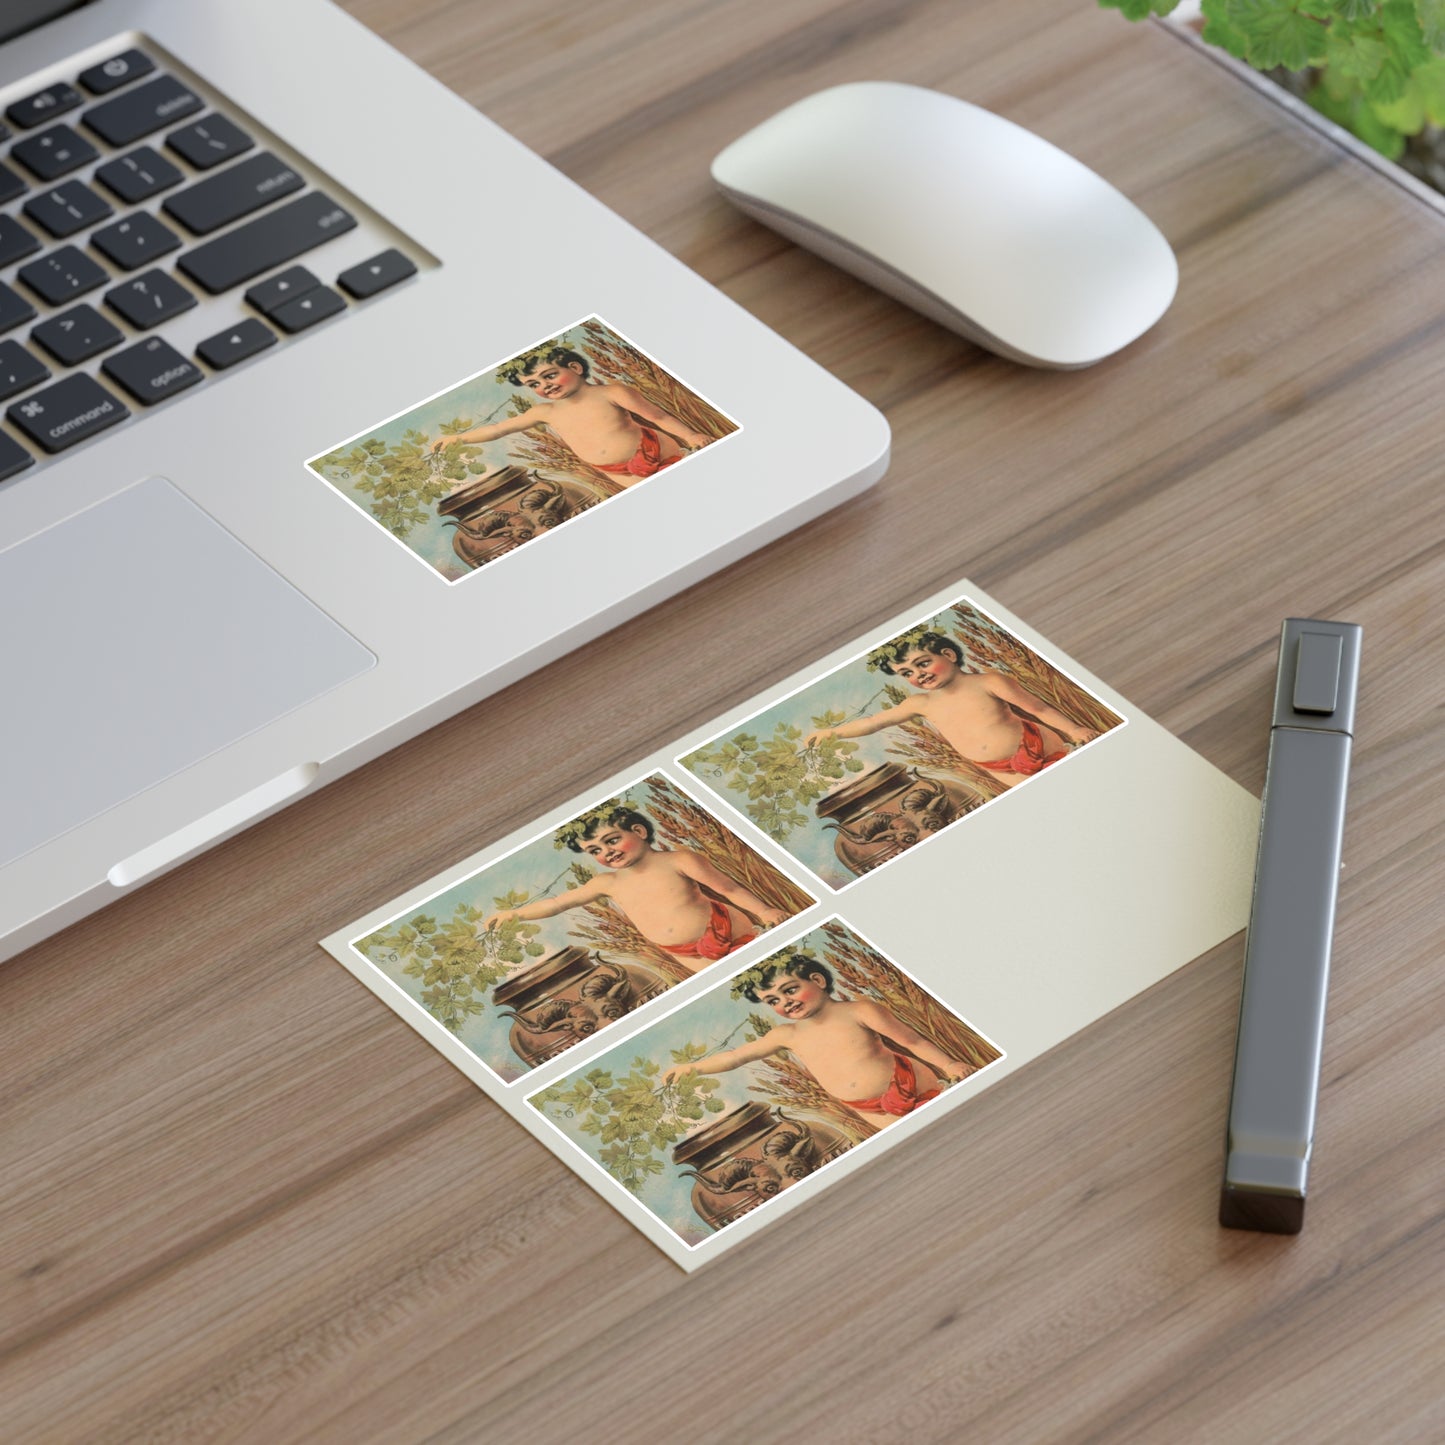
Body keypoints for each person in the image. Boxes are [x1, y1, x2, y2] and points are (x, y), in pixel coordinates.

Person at [665, 956, 971, 1134]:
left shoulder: (859, 1011)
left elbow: (912, 1040)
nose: (786, 1002)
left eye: (791, 990)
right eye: (774, 1001)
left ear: (819, 981)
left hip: (909, 1083)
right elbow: (735, 1058)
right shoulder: (787, 1035)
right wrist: (692, 1068)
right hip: (867, 1108)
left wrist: (948, 1065)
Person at [483, 803, 788, 971]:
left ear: (639, 831)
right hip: (684, 953)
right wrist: (516, 915)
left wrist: (765, 910)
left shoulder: (679, 860)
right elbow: (558, 903)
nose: (607, 852)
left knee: (767, 968)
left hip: (725, 927)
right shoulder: (607, 882)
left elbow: (730, 889)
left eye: (612, 840)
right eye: (595, 850)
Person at [807, 628, 1099, 787]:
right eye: (907, 673)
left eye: (922, 663)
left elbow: (1039, 709)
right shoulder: (919, 703)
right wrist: (833, 733)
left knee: (1079, 783)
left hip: (1036, 744)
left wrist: (1074, 728)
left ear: (948, 654)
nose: (917, 675)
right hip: (998, 768)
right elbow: (874, 722)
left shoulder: (988, 682)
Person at [430, 345, 710, 483]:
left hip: (654, 449)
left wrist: (692, 435)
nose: (545, 386)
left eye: (549, 375)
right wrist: (461, 438)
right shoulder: (545, 411)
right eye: (534, 385)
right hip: (614, 471)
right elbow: (499, 429)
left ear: (575, 368)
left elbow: (658, 417)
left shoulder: (612, 392)